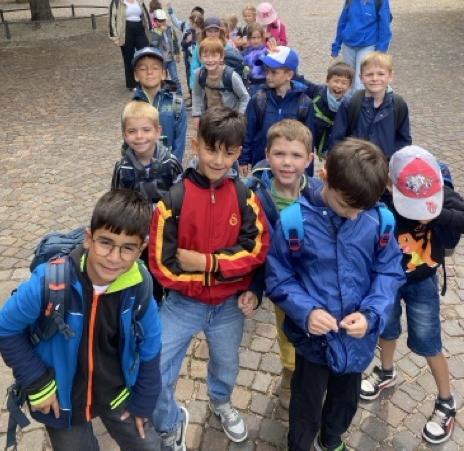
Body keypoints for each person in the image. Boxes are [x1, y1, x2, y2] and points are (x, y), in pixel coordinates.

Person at [0, 189, 162, 451]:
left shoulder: (139, 284)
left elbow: (151, 341)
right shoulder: (49, 282)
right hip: (62, 401)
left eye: (127, 248)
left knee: (149, 446)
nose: (114, 258)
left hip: (117, 392)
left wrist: (145, 398)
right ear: (89, 238)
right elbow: (3, 328)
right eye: (106, 243)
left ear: (141, 250)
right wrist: (37, 382)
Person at [266, 138, 405, 451]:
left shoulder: (378, 220)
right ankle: (300, 445)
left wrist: (372, 314)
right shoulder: (294, 222)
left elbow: (389, 271)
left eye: (360, 209)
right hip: (313, 341)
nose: (353, 216)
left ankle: (331, 438)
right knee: (306, 402)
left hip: (357, 339)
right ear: (325, 176)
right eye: (345, 206)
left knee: (345, 400)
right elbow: (279, 277)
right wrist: (307, 311)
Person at [148, 106, 270, 450]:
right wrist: (210, 279)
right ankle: (170, 422)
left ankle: (220, 401)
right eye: (211, 149)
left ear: (238, 152)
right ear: (195, 144)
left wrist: (208, 263)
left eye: (228, 153)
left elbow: (257, 249)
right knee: (154, 367)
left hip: (229, 305)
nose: (218, 160)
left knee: (227, 363)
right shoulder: (173, 200)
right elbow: (161, 264)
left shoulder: (246, 198)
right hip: (183, 304)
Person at [360, 146, 464, 445]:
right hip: (386, 282)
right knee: (387, 329)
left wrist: (438, 214)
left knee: (430, 342)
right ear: (389, 182)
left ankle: (446, 400)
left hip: (423, 282)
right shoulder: (381, 193)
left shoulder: (441, 195)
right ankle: (386, 371)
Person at [246, 120, 314, 409]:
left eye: (296, 155)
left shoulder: (317, 194)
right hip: (279, 284)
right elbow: (249, 245)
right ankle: (289, 376)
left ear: (309, 159)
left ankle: (312, 377)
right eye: (279, 154)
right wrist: (253, 288)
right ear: (267, 154)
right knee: (287, 332)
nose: (287, 163)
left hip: (312, 280)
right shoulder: (254, 195)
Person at [239, 46, 314, 176]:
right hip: (262, 166)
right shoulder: (259, 99)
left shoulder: (304, 104)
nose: (268, 76)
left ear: (289, 75)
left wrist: (307, 175)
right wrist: (244, 159)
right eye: (267, 71)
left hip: (289, 169)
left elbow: (308, 142)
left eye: (274, 72)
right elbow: (248, 131)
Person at [328, 51, 411, 159]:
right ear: (361, 77)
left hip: (385, 166)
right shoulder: (350, 104)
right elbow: (336, 140)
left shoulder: (398, 105)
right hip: (354, 165)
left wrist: (393, 161)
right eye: (369, 74)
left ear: (391, 76)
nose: (375, 78)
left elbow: (403, 141)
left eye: (381, 74)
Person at [331, 0, 392, 90]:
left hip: (367, 45)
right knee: (348, 81)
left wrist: (380, 51)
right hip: (348, 45)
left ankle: (361, 103)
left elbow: (385, 27)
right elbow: (342, 22)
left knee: (360, 84)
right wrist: (336, 45)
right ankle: (350, 103)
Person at [111, 101, 182, 203]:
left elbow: (182, 197)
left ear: (158, 132)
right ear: (124, 135)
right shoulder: (122, 168)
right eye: (132, 131)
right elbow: (115, 203)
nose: (139, 136)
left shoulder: (170, 163)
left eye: (146, 130)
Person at [132, 47, 187, 163]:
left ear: (163, 74)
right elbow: (128, 142)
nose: (149, 72)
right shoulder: (132, 108)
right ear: (136, 75)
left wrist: (173, 166)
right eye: (143, 69)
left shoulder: (176, 105)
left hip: (169, 168)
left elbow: (180, 142)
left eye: (155, 68)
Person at [192, 38, 249, 131]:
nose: (210, 60)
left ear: (221, 57)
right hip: (210, 119)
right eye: (206, 56)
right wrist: (196, 115)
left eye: (214, 56)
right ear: (200, 58)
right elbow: (197, 94)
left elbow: (245, 97)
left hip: (229, 123)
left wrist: (239, 118)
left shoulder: (231, 76)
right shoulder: (199, 74)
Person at [303, 61, 354, 158]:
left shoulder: (349, 104)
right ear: (327, 80)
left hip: (328, 142)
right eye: (336, 81)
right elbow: (300, 81)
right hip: (310, 133)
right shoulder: (318, 91)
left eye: (344, 83)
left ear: (350, 86)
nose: (339, 86)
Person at [109, 0, 150, 90]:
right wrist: (115, 37)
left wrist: (149, 28)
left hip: (139, 27)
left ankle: (145, 80)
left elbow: (145, 14)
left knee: (145, 54)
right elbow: (112, 19)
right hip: (125, 29)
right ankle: (132, 84)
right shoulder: (117, 0)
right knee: (129, 57)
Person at [189, 15, 234, 91]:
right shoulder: (200, 45)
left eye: (216, 31)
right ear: (204, 32)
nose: (213, 34)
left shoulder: (227, 46)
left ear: (220, 31)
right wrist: (194, 86)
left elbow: (232, 65)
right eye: (209, 31)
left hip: (222, 84)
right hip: (203, 82)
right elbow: (194, 64)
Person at [149, 9, 182, 95]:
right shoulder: (153, 32)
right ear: (155, 21)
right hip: (160, 61)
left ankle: (179, 96)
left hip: (170, 59)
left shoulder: (170, 30)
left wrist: (177, 53)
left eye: (163, 20)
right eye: (160, 21)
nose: (163, 23)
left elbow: (175, 41)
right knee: (162, 80)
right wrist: (160, 32)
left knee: (175, 78)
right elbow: (153, 43)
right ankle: (164, 96)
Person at [180, 11, 205, 108]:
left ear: (194, 23)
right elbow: (182, 44)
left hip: (200, 62)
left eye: (190, 22)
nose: (189, 24)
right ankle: (192, 98)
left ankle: (200, 100)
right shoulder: (189, 32)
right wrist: (187, 40)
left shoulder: (203, 34)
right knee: (189, 79)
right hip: (189, 62)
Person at [243, 23, 268, 96]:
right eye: (253, 38)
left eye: (258, 37)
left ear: (262, 38)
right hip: (250, 85)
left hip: (264, 85)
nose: (256, 40)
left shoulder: (266, 53)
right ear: (249, 38)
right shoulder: (245, 54)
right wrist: (245, 79)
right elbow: (244, 69)